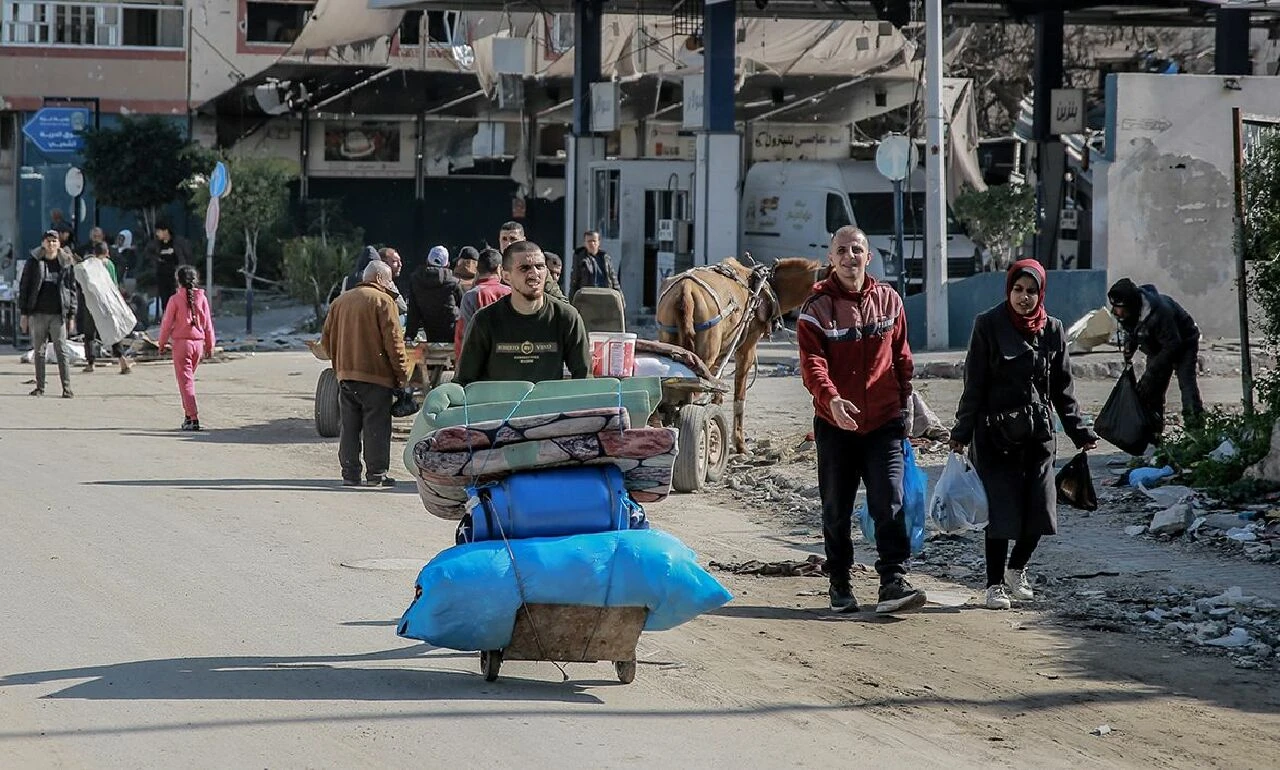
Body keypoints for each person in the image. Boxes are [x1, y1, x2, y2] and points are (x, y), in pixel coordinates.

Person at [951, 260, 1098, 610]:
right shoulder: (988, 325)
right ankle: (994, 585)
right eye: (1018, 290)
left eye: (1031, 291)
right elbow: (975, 384)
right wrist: (962, 431)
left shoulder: (1053, 329)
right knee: (1000, 513)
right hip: (995, 437)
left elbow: (1063, 389)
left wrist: (1080, 431)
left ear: (1041, 293)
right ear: (1009, 290)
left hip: (1038, 437)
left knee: (1041, 509)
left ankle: (1017, 570)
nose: (1024, 298)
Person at [797, 225, 922, 615]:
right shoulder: (815, 310)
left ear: (869, 257)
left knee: (891, 500)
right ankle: (840, 583)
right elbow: (812, 365)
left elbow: (902, 358)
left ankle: (892, 581)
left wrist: (904, 409)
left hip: (884, 424)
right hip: (836, 426)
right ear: (831, 259)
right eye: (842, 250)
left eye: (857, 250)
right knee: (836, 507)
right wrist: (831, 399)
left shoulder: (889, 301)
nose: (850, 256)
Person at [321, 260, 412, 487]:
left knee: (349, 426)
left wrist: (340, 365)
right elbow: (394, 344)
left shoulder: (339, 302)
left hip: (346, 376)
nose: (391, 284)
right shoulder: (383, 301)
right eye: (389, 279)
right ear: (380, 279)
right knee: (377, 425)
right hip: (376, 377)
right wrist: (401, 376)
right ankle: (376, 474)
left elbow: (326, 342)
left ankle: (350, 474)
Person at [454, 241, 590, 386]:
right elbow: (464, 381)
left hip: (548, 407)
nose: (534, 273)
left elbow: (584, 378)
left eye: (540, 266)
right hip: (501, 407)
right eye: (524, 268)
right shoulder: (485, 320)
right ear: (506, 276)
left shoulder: (567, 317)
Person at [1106, 278, 1204, 433]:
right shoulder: (1130, 313)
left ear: (1132, 304)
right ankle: (1154, 435)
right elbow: (1132, 330)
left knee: (1187, 384)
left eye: (1120, 308)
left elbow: (1173, 344)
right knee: (1153, 390)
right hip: (1157, 346)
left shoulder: (1160, 311)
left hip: (1183, 342)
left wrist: (1151, 372)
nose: (1116, 312)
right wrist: (1129, 347)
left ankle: (1196, 431)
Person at [19, 231, 78, 398]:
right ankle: (40, 387)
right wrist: (24, 313)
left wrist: (71, 315)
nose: (51, 244)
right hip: (38, 313)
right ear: (43, 243)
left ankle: (66, 388)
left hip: (58, 314)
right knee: (39, 351)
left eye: (54, 241)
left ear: (59, 244)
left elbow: (72, 290)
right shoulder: (34, 262)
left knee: (62, 351)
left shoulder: (66, 263)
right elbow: (24, 287)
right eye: (48, 241)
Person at [157, 266, 216, 431]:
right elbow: (208, 325)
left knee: (186, 382)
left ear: (178, 280)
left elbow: (167, 324)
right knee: (187, 382)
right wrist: (210, 345)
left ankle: (193, 418)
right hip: (198, 344)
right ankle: (188, 416)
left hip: (181, 344)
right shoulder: (202, 298)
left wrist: (161, 344)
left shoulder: (175, 300)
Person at [78, 241, 134, 374]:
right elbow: (114, 284)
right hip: (107, 304)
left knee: (89, 334)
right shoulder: (110, 265)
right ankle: (122, 361)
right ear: (107, 253)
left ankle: (90, 363)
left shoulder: (88, 265)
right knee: (113, 331)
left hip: (91, 303)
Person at [454, 248, 511, 361]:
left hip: (480, 362)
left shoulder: (470, 296)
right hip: (509, 360)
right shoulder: (511, 293)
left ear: (478, 270)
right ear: (499, 268)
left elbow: (463, 334)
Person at [406, 245, 462, 343]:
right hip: (452, 332)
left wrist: (409, 336)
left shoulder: (415, 280)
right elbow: (462, 307)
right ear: (447, 264)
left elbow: (413, 311)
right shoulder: (454, 282)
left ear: (427, 261)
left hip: (429, 330)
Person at [143, 222, 192, 314]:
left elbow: (187, 257)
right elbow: (147, 254)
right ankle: (168, 317)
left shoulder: (178, 242)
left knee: (176, 298)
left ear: (166, 231)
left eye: (159, 231)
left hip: (176, 276)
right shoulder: (156, 244)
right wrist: (156, 260)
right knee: (165, 299)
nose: (157, 234)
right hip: (162, 275)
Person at [569, 230, 621, 297]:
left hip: (605, 295)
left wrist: (620, 298)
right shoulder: (580, 258)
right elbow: (574, 281)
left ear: (598, 242)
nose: (592, 244)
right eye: (589, 241)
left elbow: (614, 279)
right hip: (587, 296)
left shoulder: (605, 258)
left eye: (594, 241)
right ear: (585, 243)